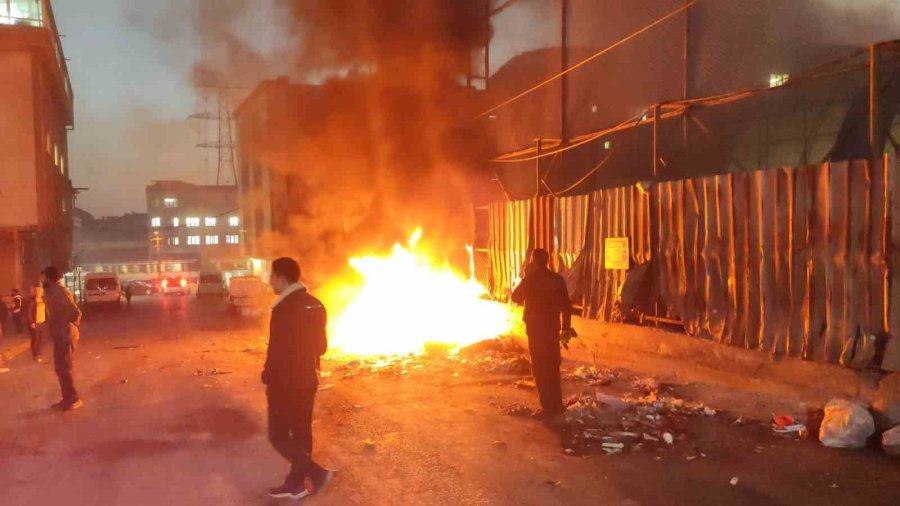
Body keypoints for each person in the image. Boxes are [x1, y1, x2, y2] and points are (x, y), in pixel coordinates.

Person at [262, 257, 334, 500]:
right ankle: (296, 484)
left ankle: (316, 473)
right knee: (302, 433)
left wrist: (267, 375)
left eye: (272, 277)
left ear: (283, 278)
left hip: (284, 383)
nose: (270, 281)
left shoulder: (283, 308)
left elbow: (276, 350)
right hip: (307, 380)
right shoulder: (316, 304)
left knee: (278, 436)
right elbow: (321, 348)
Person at [511, 248, 574, 419]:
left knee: (540, 368)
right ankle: (557, 405)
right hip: (552, 329)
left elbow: (515, 297)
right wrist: (566, 328)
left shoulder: (531, 279)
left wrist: (526, 276)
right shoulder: (557, 280)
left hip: (536, 330)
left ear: (533, 261)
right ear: (548, 260)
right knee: (552, 366)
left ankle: (548, 407)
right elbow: (566, 306)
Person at [42, 266, 83, 411]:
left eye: (44, 277)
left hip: (65, 335)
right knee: (61, 368)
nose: (42, 280)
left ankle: (73, 399)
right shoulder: (53, 292)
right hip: (60, 335)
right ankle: (67, 398)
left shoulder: (60, 292)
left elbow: (75, 312)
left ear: (49, 278)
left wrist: (68, 327)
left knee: (64, 368)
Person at [24, 283, 47, 363]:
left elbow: (46, 310)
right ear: (34, 291)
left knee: (40, 339)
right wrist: (31, 322)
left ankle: (38, 353)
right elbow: (28, 312)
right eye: (37, 290)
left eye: (40, 290)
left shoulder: (43, 300)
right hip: (35, 323)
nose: (38, 292)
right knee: (35, 339)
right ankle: (35, 355)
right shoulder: (32, 301)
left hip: (42, 322)